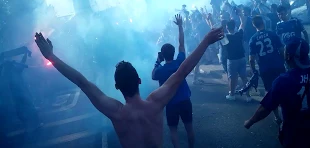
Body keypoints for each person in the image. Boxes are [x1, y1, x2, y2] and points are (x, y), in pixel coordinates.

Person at [34, 24, 224, 148]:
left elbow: (82, 82)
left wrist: (51, 57)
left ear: (117, 86)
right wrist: (205, 41)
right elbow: (182, 71)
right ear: (139, 80)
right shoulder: (155, 103)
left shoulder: (117, 112)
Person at [244, 37, 310, 148]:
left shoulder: (284, 80)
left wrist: (250, 122)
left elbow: (265, 108)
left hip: (295, 135)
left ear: (288, 56)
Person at [152, 14, 194, 148]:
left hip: (171, 104)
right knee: (189, 128)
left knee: (173, 131)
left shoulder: (160, 70)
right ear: (173, 52)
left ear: (163, 55)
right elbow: (181, 43)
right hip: (185, 100)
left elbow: (153, 75)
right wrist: (180, 26)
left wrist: (158, 61)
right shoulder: (180, 62)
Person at [249, 16, 285, 125]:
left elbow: (251, 59)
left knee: (270, 92)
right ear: (263, 22)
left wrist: (254, 70)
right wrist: (282, 61)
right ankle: (286, 112)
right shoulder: (272, 34)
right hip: (278, 66)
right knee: (284, 89)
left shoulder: (253, 39)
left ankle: (277, 117)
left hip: (265, 69)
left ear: (253, 25)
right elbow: (282, 49)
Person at [224, 20, 250, 102]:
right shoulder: (239, 34)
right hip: (242, 58)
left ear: (227, 28)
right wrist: (240, 15)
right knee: (244, 77)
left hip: (232, 60)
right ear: (234, 26)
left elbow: (214, 30)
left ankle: (232, 95)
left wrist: (210, 20)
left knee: (232, 77)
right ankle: (248, 96)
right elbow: (243, 23)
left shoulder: (225, 37)